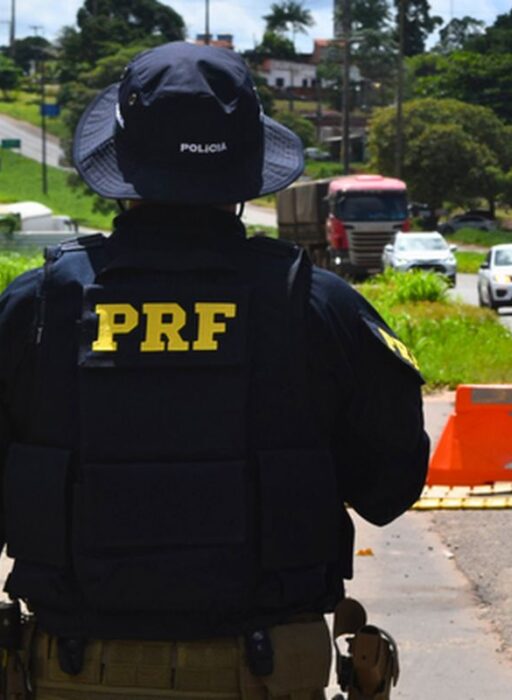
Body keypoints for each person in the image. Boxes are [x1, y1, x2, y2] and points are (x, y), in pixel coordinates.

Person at [0, 42, 428, 698]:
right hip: (265, 671)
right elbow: (389, 488)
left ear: (121, 163)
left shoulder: (34, 308)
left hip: (71, 670)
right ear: (246, 167)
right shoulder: (320, 308)